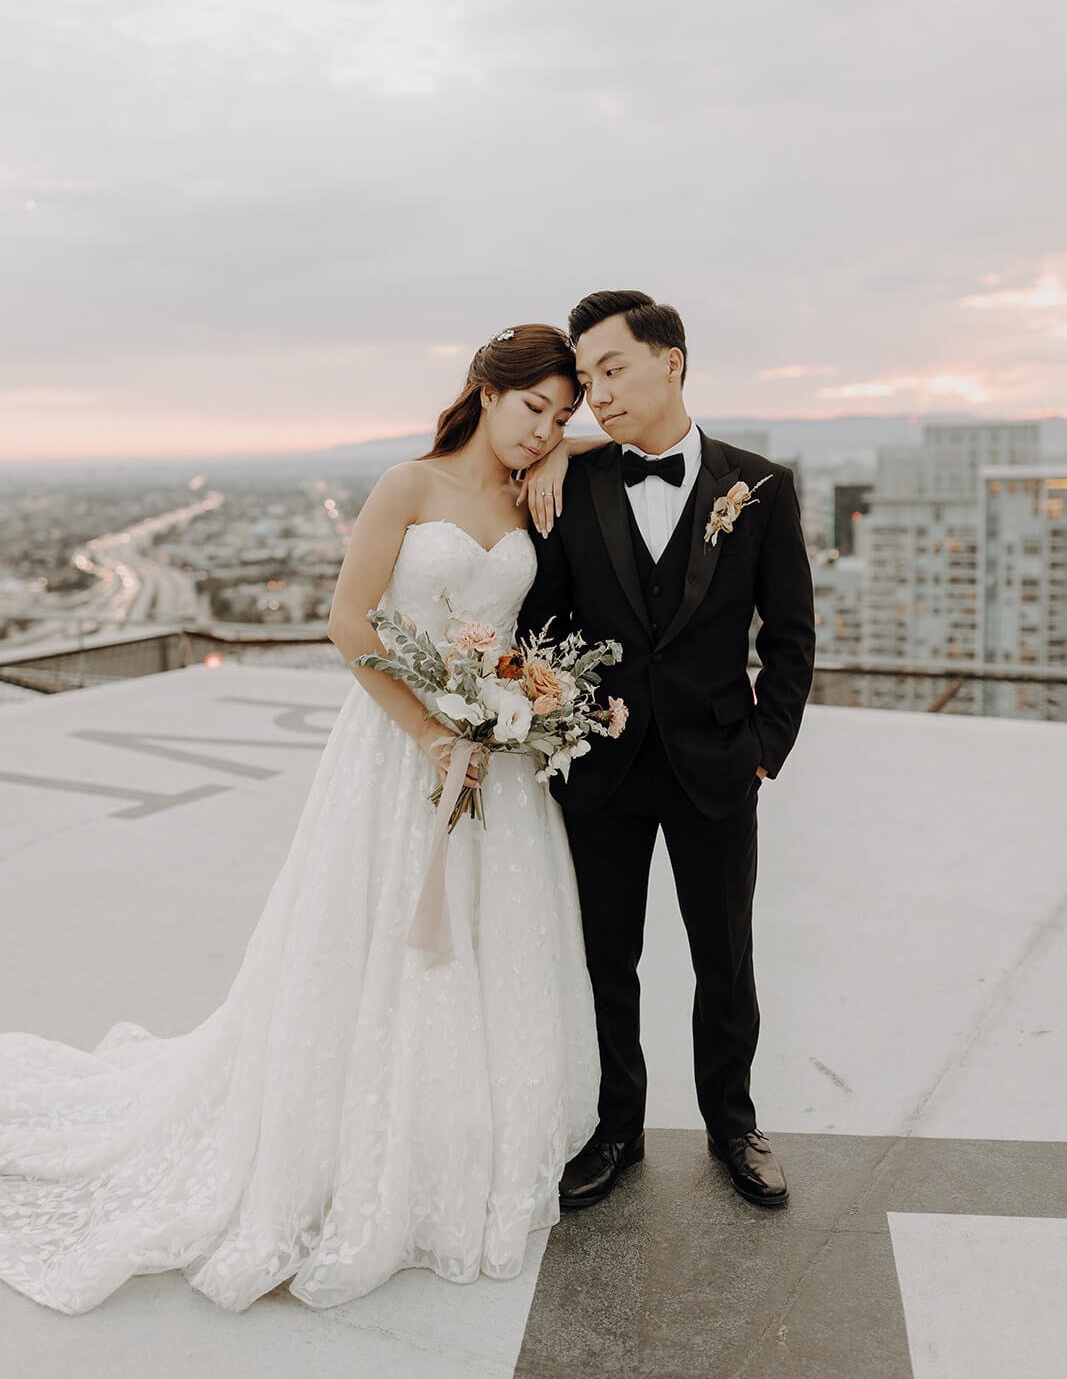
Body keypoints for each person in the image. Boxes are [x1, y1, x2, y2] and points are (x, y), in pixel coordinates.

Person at [0, 324, 599, 1315]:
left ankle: (454, 1142)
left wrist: (567, 457)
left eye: (560, 417)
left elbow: (638, 446)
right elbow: (348, 619)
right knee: (371, 947)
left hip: (495, 761)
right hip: (394, 751)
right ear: (484, 391)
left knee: (488, 954)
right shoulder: (409, 485)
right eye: (533, 407)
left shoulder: (534, 488)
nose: (543, 431)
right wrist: (428, 734)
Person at [517, 291, 815, 1210]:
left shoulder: (758, 486)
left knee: (722, 957)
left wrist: (765, 746)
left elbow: (792, 635)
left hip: (720, 765)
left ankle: (733, 1125)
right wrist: (557, 724)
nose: (594, 394)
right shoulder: (573, 484)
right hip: (598, 770)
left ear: (670, 361)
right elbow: (541, 624)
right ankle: (616, 1129)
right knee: (607, 957)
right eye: (586, 379)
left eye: (611, 370)